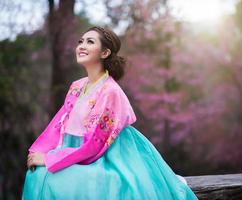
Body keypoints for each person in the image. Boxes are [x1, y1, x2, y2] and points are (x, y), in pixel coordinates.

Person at [22, 26, 198, 200]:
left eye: (90, 42)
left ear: (105, 53)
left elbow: (94, 145)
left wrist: (50, 159)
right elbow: (59, 123)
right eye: (80, 41)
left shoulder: (110, 91)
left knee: (59, 180)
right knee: (36, 175)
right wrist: (41, 151)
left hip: (107, 155)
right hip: (74, 149)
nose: (81, 46)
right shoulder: (77, 86)